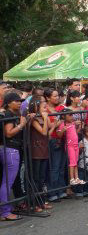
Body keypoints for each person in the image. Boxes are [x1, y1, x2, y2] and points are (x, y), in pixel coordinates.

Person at [0, 92, 27, 221]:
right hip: (11, 150)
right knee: (7, 182)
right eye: (16, 101)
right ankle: (5, 212)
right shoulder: (9, 114)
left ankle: (5, 209)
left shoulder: (12, 113)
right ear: (9, 102)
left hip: (11, 149)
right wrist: (21, 125)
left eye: (20, 101)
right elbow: (9, 133)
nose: (19, 103)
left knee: (6, 181)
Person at [28, 97, 54, 211]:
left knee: (42, 177)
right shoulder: (34, 119)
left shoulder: (43, 116)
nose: (45, 106)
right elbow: (43, 132)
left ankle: (42, 202)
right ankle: (35, 204)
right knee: (36, 178)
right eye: (43, 104)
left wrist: (46, 117)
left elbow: (48, 130)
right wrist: (44, 117)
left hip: (43, 149)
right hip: (36, 150)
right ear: (36, 106)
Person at [44, 88, 66, 202]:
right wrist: (56, 123)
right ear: (48, 97)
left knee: (61, 166)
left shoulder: (61, 107)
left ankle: (61, 190)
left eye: (58, 96)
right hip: (53, 139)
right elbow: (49, 125)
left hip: (63, 138)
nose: (57, 98)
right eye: (54, 96)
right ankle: (53, 192)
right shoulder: (45, 109)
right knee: (55, 167)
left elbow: (66, 119)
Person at [61, 110, 84, 186]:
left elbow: (75, 133)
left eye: (72, 115)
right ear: (64, 116)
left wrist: (80, 127)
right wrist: (62, 130)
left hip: (75, 145)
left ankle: (76, 178)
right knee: (72, 162)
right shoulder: (63, 124)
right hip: (69, 145)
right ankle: (72, 179)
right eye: (69, 115)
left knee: (75, 162)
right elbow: (59, 134)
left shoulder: (72, 123)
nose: (72, 117)